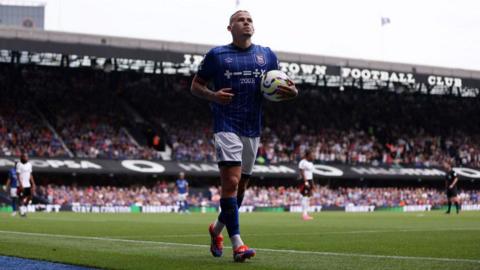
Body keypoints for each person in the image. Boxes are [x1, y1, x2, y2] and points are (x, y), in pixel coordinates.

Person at [190, 10, 297, 262]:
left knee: (240, 189)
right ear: (230, 28)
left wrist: (289, 91)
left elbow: (280, 86)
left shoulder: (267, 55)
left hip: (253, 128)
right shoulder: (217, 55)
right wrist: (214, 96)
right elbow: (195, 86)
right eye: (240, 19)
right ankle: (237, 244)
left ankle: (216, 229)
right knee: (231, 182)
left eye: (249, 20)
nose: (246, 23)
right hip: (226, 124)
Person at [16, 153, 35, 217]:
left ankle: (24, 208)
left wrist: (33, 183)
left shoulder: (29, 164)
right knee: (21, 198)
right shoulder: (19, 164)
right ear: (22, 157)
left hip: (28, 184)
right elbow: (18, 175)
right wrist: (20, 184)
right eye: (25, 157)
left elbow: (30, 174)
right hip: (20, 184)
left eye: (27, 157)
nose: (26, 158)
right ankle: (22, 212)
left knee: (30, 197)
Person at [298, 150, 315, 220]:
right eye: (312, 155)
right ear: (307, 155)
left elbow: (311, 174)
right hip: (305, 181)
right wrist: (306, 182)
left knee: (308, 197)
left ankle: (306, 213)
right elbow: (301, 172)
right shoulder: (303, 162)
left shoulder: (311, 163)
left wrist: (313, 184)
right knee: (304, 197)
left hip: (310, 180)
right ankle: (304, 215)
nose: (313, 156)